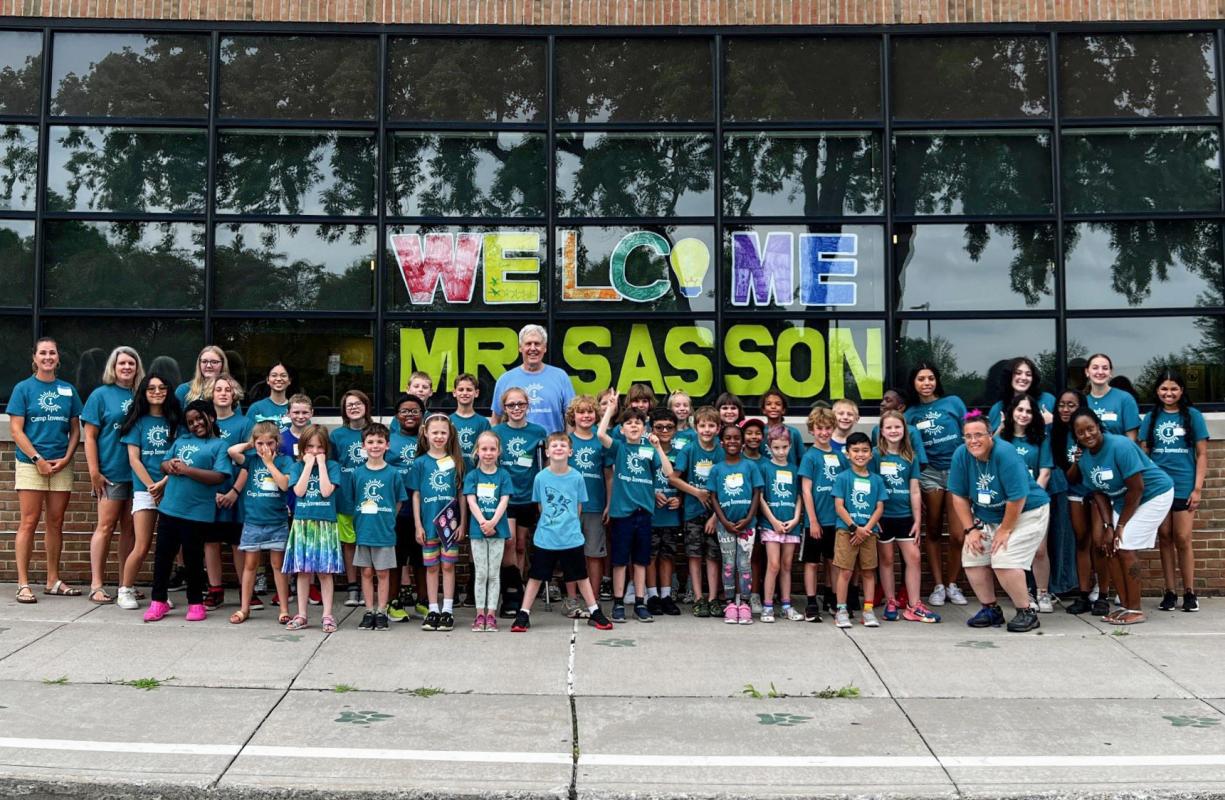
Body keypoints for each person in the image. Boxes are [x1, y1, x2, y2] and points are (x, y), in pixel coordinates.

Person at [947, 413, 1050, 633]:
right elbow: (958, 495)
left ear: (990, 434)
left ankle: (1026, 611)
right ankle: (990, 609)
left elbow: (1017, 498)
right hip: (988, 515)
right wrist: (970, 529)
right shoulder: (961, 455)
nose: (973, 441)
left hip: (1026, 512)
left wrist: (1005, 530)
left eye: (978, 435)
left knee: (1005, 559)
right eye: (968, 436)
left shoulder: (1005, 453)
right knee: (973, 555)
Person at [1073, 409, 1174, 625]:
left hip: (1154, 494)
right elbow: (1099, 493)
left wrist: (1121, 526)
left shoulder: (1120, 445)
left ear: (1098, 426)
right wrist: (1109, 526)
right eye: (1080, 432)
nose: (1087, 435)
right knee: (1110, 548)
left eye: (1090, 428)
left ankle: (1136, 610)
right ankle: (1126, 607)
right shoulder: (1085, 460)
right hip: (1122, 501)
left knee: (1125, 546)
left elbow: (1137, 488)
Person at [510, 433, 614, 632]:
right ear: (547, 451)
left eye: (563, 445)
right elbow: (541, 506)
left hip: (571, 538)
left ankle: (594, 611)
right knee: (536, 577)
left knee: (580, 576)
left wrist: (569, 526)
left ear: (570, 451)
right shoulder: (540, 478)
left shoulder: (576, 477)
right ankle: (524, 613)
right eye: (554, 445)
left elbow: (578, 507)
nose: (558, 448)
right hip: (546, 538)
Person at [9, 337, 83, 603]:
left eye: (52, 353)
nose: (48, 357)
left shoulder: (68, 390)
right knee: (29, 521)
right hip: (31, 463)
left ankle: (53, 580)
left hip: (61, 463)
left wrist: (66, 457)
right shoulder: (23, 388)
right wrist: (37, 458)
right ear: (35, 358)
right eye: (43, 353)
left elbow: (76, 429)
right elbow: (16, 429)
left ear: (58, 358)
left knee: (56, 522)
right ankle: (23, 583)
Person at [144, 400, 231, 623]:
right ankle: (158, 601)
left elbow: (219, 476)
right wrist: (170, 465)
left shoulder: (218, 445)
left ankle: (195, 602)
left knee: (193, 560)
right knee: (163, 557)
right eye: (190, 421)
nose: (195, 424)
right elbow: (163, 463)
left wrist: (187, 470)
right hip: (170, 508)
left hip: (197, 513)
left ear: (210, 417)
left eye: (199, 418)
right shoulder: (181, 440)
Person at [597, 394, 674, 623]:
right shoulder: (619, 447)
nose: (633, 425)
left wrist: (658, 447)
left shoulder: (649, 450)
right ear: (621, 429)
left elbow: (669, 472)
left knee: (641, 560)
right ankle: (618, 602)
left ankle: (640, 602)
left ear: (644, 427)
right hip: (622, 514)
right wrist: (610, 410)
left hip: (644, 514)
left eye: (638, 423)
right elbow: (601, 434)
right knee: (620, 560)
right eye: (629, 423)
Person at [1139, 369, 1208, 612]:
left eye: (1174, 389)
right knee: (1165, 538)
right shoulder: (1151, 417)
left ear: (1181, 391)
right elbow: (1144, 453)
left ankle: (1190, 592)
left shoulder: (1193, 416)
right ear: (1157, 391)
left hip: (1183, 485)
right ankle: (1170, 592)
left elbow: (1201, 454)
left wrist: (1197, 488)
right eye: (1164, 389)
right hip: (1158, 487)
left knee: (1182, 538)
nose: (1169, 393)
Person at [904, 362, 968, 608]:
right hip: (928, 473)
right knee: (931, 530)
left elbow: (970, 426)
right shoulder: (910, 414)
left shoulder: (954, 402)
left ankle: (953, 584)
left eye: (930, 378)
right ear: (914, 383)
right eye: (921, 379)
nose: (926, 383)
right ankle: (939, 586)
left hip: (956, 471)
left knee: (957, 534)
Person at [83, 346, 143, 604]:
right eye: (122, 364)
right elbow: (89, 436)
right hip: (111, 472)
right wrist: (94, 471)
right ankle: (96, 584)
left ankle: (124, 584)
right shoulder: (100, 395)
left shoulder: (142, 395)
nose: (127, 367)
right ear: (113, 367)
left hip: (139, 474)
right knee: (105, 527)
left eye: (131, 363)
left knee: (130, 530)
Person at [116, 373, 181, 610]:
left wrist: (164, 482)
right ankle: (125, 590)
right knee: (142, 545)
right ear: (143, 392)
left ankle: (160, 593)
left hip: (172, 488)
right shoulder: (137, 422)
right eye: (151, 388)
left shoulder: (175, 420)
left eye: (162, 387)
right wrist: (152, 486)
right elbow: (134, 459)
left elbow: (180, 456)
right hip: (145, 491)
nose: (157, 392)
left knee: (167, 547)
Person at [874, 410, 938, 623]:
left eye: (897, 427)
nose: (893, 431)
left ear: (905, 430)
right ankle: (890, 600)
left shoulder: (910, 456)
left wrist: (918, 520)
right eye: (889, 427)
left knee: (914, 558)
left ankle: (914, 605)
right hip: (883, 517)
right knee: (887, 559)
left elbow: (914, 490)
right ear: (882, 431)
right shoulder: (875, 455)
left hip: (905, 516)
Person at [227, 422, 293, 625]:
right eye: (260, 443)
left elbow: (284, 484)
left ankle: (283, 609)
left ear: (277, 442)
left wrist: (270, 463)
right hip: (253, 522)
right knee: (250, 565)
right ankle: (244, 607)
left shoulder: (284, 461)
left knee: (278, 565)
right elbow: (231, 451)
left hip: (277, 521)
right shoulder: (251, 459)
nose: (265, 447)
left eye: (270, 443)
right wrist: (251, 446)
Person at [492, 386, 547, 617]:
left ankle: (521, 586)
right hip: (506, 496)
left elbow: (544, 464)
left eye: (520, 404)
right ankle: (511, 592)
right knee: (509, 542)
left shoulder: (538, 432)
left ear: (527, 406)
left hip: (528, 495)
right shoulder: (497, 432)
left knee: (523, 545)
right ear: (504, 408)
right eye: (511, 405)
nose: (516, 409)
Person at [998, 394, 1055, 612]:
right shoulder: (1002, 439)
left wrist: (1030, 499)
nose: (1023, 415)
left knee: (1040, 550)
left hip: (1034, 503)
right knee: (1017, 551)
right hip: (1009, 504)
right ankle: (1026, 593)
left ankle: (1043, 592)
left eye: (1029, 411)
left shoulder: (1041, 438)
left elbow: (1045, 473)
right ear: (1012, 412)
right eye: (1019, 410)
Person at [283, 425, 343, 632]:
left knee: (325, 572)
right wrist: (308, 466)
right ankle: (302, 614)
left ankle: (327, 615)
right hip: (303, 523)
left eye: (319, 447)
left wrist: (322, 465)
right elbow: (298, 491)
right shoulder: (297, 467)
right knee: (303, 571)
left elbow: (326, 491)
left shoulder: (333, 466)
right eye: (310, 447)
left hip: (325, 522)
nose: (315, 451)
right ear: (302, 448)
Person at [412, 414, 466, 632]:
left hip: (450, 525)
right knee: (432, 567)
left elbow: (461, 493)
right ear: (426, 433)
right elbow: (415, 494)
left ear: (449, 433)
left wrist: (462, 523)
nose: (439, 436)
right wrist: (417, 525)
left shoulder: (457, 462)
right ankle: (433, 609)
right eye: (435, 432)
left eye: (443, 432)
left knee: (448, 565)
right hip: (428, 523)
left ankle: (448, 610)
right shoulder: (420, 463)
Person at [353, 422, 409, 631]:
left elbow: (399, 500)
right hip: (364, 530)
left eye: (379, 442)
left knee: (383, 572)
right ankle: (369, 610)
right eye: (370, 442)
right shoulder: (357, 473)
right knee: (366, 572)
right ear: (363, 446)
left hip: (384, 531)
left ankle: (382, 610)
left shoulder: (393, 473)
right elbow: (353, 499)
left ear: (387, 445)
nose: (375, 446)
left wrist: (388, 518)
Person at [668, 406, 724, 617]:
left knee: (713, 555)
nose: (707, 430)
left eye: (711, 425)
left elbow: (725, 485)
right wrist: (697, 493)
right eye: (703, 425)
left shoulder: (721, 451)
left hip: (715, 514)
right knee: (694, 554)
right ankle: (698, 597)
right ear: (696, 427)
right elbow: (673, 477)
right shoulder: (689, 450)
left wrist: (714, 516)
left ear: (718, 428)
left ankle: (712, 598)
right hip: (692, 511)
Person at [707, 424, 763, 625]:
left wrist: (748, 518)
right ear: (721, 442)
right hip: (725, 526)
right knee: (729, 564)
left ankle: (745, 604)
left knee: (744, 564)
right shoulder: (717, 469)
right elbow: (713, 497)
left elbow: (757, 493)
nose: (732, 441)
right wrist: (723, 521)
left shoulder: (750, 466)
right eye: (728, 438)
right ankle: (730, 603)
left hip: (747, 525)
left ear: (742, 441)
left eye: (736, 438)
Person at [831, 432, 887, 628]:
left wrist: (866, 529)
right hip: (847, 531)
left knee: (869, 572)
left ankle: (868, 610)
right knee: (845, 572)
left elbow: (879, 507)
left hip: (869, 533)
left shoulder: (877, 480)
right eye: (855, 450)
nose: (860, 454)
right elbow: (839, 506)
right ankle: (841, 610)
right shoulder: (842, 478)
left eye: (864, 450)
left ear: (871, 454)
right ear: (847, 453)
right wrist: (855, 527)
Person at [204, 374, 250, 610]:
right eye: (218, 389)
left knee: (238, 542)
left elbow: (249, 463)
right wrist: (210, 491)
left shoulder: (244, 423)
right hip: (210, 492)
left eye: (227, 390)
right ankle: (215, 589)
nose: (223, 393)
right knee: (211, 541)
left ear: (234, 395)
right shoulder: (204, 423)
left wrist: (234, 491)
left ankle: (246, 590)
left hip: (237, 493)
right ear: (211, 394)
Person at [798, 405, 846, 622]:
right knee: (811, 562)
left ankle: (833, 599)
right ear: (812, 430)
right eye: (820, 428)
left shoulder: (840, 457)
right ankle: (810, 602)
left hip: (835, 520)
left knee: (833, 561)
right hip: (815, 520)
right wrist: (813, 520)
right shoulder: (810, 456)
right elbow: (806, 490)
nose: (824, 432)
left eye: (828, 428)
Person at [463, 430, 513, 632]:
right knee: (481, 573)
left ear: (499, 451)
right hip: (478, 529)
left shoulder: (503, 475)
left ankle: (491, 614)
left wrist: (493, 522)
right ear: (477, 451)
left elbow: (504, 499)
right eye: (484, 449)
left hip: (498, 529)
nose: (488, 453)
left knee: (494, 574)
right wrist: (483, 522)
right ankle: (479, 614)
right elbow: (470, 500)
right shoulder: (473, 475)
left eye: (492, 449)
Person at [567, 395, 612, 618]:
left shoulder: (601, 441)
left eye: (590, 412)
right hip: (569, 508)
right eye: (581, 412)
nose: (586, 416)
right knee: (572, 554)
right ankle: (572, 599)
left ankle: (592, 600)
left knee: (594, 554)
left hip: (595, 505)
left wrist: (609, 504)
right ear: (572, 416)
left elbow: (608, 475)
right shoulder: (566, 441)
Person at [490, 325, 575, 434]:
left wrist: (568, 444)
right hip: (515, 447)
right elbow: (495, 420)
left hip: (553, 448)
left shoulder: (561, 377)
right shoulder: (505, 380)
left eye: (537, 344)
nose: (533, 348)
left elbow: (571, 418)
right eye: (528, 344)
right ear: (520, 348)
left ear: (545, 348)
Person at [386, 393, 426, 623]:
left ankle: (423, 601)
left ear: (423, 415)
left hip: (423, 510)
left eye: (415, 411)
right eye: (405, 411)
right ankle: (393, 601)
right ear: (397, 416)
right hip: (397, 510)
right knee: (397, 558)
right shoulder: (390, 440)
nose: (410, 415)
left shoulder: (428, 440)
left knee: (422, 558)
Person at [331, 389, 372, 607]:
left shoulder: (376, 432)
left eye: (358, 403)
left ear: (366, 406)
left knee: (367, 541)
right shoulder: (337, 436)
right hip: (345, 497)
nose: (354, 407)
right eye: (349, 405)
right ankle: (352, 586)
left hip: (370, 499)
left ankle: (367, 585)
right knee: (349, 543)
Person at [758, 427, 803, 622]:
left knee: (786, 565)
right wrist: (773, 521)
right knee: (773, 564)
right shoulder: (765, 467)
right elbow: (760, 497)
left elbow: (799, 497)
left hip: (791, 524)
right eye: (776, 447)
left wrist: (795, 519)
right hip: (771, 524)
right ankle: (768, 606)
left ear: (790, 446)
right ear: (769, 447)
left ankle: (786, 604)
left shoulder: (794, 469)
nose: (781, 451)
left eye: (784, 447)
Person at [647, 407, 683, 616]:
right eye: (659, 427)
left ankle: (666, 595)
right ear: (652, 429)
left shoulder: (680, 452)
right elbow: (637, 479)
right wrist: (651, 492)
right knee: (650, 555)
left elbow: (685, 481)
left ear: (675, 429)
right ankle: (652, 595)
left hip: (671, 514)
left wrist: (681, 499)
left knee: (668, 555)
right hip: (651, 514)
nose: (664, 430)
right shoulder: (645, 451)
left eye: (669, 427)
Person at [988, 357, 1056, 431]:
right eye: (1018, 373)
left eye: (1028, 374)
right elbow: (991, 441)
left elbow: (1066, 432)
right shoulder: (998, 408)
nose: (1023, 377)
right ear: (1009, 376)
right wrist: (1001, 429)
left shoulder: (1048, 400)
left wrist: (1054, 420)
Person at [1083, 354, 1141, 439]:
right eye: (1095, 368)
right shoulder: (1082, 401)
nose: (1100, 372)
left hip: (1118, 452)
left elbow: (1131, 440)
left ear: (1110, 372)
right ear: (1087, 372)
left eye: (1105, 368)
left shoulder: (1125, 399)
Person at [760, 387, 805, 469]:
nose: (773, 407)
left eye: (778, 404)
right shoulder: (759, 433)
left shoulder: (793, 433)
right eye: (769, 404)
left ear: (783, 410)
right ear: (763, 410)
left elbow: (802, 460)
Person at [450, 372, 491, 465]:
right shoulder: (447, 421)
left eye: (469, 390)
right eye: (461, 389)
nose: (464, 393)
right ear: (454, 393)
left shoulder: (483, 423)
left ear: (476, 393)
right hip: (452, 475)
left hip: (476, 475)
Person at [246, 362, 294, 432]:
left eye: (283, 375)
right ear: (268, 380)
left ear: (289, 380)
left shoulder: (296, 408)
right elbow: (249, 437)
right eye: (274, 375)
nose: (278, 379)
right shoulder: (256, 408)